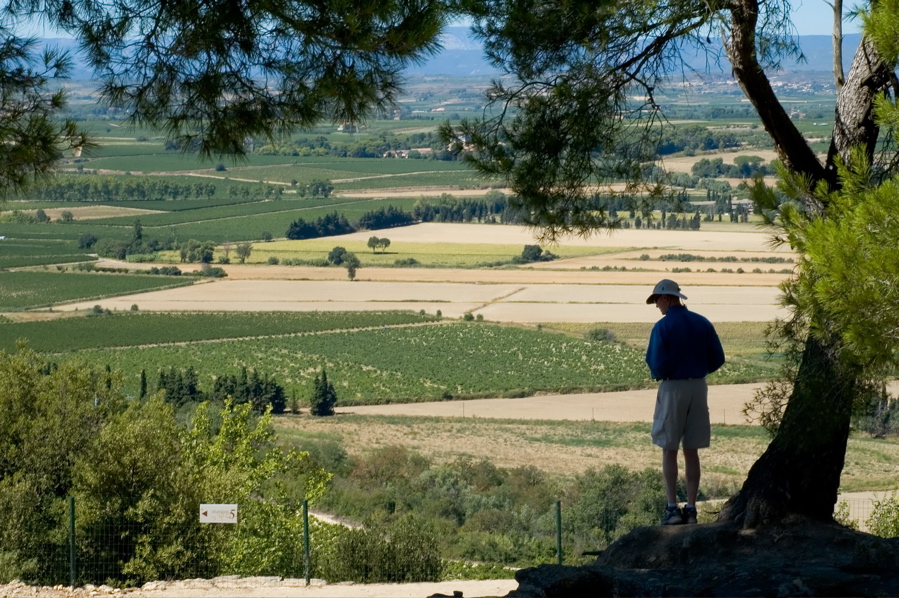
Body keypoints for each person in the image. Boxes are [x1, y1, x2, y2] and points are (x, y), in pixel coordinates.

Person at [645, 279, 725, 525]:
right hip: (699, 387)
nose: (657, 306)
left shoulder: (663, 326)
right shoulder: (702, 323)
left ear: (667, 298)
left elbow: (655, 363)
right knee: (692, 450)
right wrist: (698, 370)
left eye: (657, 300)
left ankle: (671, 508)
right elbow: (718, 358)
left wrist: (667, 373)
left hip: (672, 387)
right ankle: (691, 508)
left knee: (669, 448)